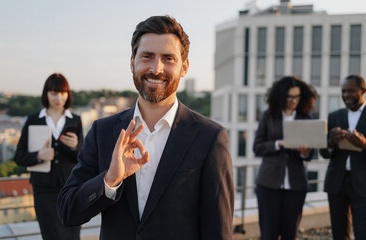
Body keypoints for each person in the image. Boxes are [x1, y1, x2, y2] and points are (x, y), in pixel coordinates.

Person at [57, 15, 234, 239]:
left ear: (184, 67)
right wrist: (110, 180)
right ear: (132, 62)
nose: (156, 68)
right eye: (147, 56)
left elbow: (218, 230)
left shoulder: (210, 138)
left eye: (168, 58)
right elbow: (67, 211)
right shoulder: (103, 131)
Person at [320, 75, 366, 240]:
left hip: (363, 183)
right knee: (339, 234)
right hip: (336, 183)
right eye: (343, 91)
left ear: (363, 91)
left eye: (351, 91)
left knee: (363, 233)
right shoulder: (334, 116)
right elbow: (324, 153)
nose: (346, 95)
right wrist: (331, 143)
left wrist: (365, 146)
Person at [14, 73, 83, 240]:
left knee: (72, 234)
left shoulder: (75, 120)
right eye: (54, 93)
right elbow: (19, 156)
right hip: (43, 190)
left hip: (70, 187)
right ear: (46, 94)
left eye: (62, 93)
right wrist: (39, 155)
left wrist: (75, 147)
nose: (59, 98)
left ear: (68, 95)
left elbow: (84, 158)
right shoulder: (33, 120)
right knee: (51, 235)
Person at [253, 76, 315, 240]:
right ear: (281, 96)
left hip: (296, 185)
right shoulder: (268, 116)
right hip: (268, 184)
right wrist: (280, 143)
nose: (294, 101)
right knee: (269, 233)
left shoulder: (306, 118)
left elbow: (310, 156)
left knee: (290, 233)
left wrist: (304, 151)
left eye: (297, 97)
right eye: (290, 97)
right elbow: (257, 147)